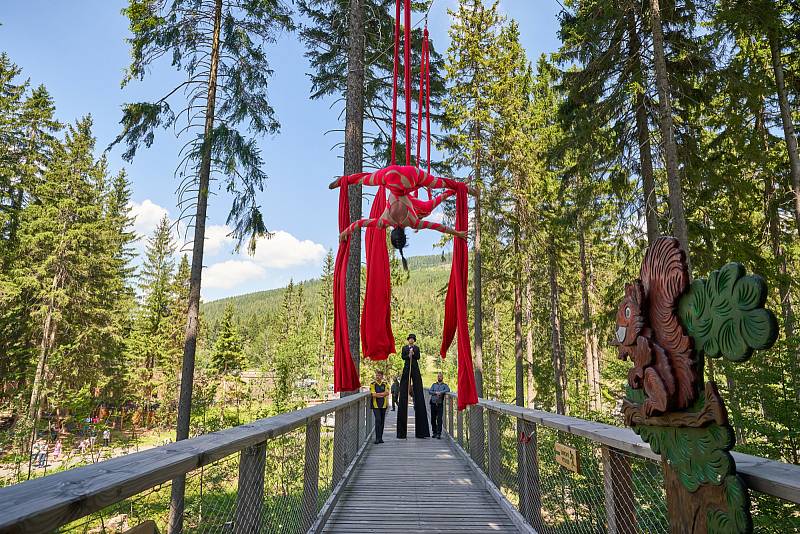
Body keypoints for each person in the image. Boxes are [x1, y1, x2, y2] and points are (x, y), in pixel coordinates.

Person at [397, 334, 430, 439]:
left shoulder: (416, 348)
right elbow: (403, 357)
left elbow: (418, 357)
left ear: (414, 340)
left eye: (412, 339)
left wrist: (414, 354)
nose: (411, 340)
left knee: (418, 391)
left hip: (415, 368)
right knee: (403, 391)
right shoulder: (404, 348)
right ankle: (402, 433)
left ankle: (421, 432)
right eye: (410, 339)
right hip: (407, 368)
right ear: (408, 340)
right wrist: (408, 356)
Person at [370, 370, 391, 444]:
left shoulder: (385, 383)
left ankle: (381, 438)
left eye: (379, 375)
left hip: (384, 405)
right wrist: (382, 394)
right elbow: (373, 395)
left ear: (382, 376)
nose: (377, 376)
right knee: (378, 420)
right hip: (375, 405)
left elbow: (387, 393)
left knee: (382, 421)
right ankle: (377, 438)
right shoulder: (373, 384)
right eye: (377, 375)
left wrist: (378, 394)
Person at [429, 372, 450, 439]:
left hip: (440, 404)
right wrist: (435, 393)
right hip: (433, 403)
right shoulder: (434, 385)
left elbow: (448, 390)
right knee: (433, 419)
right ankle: (434, 432)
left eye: (440, 376)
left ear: (442, 377)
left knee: (439, 419)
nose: (439, 377)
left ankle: (439, 433)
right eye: (438, 376)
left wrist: (441, 392)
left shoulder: (444, 385)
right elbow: (430, 391)